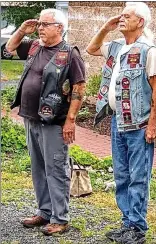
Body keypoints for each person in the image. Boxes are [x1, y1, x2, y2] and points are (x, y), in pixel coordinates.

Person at [86, 2, 156, 243]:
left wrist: (152, 125)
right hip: (118, 121)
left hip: (139, 125)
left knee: (138, 176)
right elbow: (91, 48)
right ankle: (127, 222)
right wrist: (106, 27)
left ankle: (137, 228)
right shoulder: (117, 46)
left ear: (140, 21)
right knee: (121, 175)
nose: (121, 18)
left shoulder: (148, 50)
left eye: (126, 16)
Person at [6, 8, 86, 236]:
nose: (40, 28)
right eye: (39, 24)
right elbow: (9, 49)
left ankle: (60, 218)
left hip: (54, 121)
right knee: (38, 168)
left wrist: (70, 121)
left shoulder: (70, 54)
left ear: (59, 28)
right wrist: (22, 30)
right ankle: (44, 211)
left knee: (56, 169)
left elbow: (79, 88)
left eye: (45, 24)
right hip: (31, 118)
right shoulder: (34, 46)